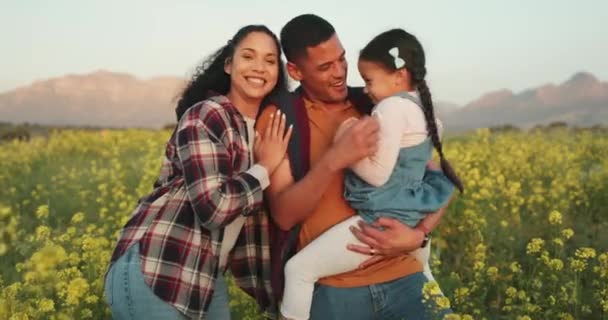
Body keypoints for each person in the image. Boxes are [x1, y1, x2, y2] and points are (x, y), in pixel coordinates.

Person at [256, 14, 455, 319]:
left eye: (342, 59)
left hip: (405, 276)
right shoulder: (282, 116)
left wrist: (420, 235)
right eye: (325, 67)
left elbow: (435, 179)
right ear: (295, 71)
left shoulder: (377, 102)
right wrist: (336, 157)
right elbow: (283, 215)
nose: (339, 73)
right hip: (336, 293)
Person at [104, 25, 292, 319]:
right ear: (229, 65)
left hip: (205, 277)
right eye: (248, 56)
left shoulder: (270, 130)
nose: (259, 67)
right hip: (159, 266)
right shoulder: (208, 113)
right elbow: (213, 208)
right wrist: (265, 166)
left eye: (270, 60)